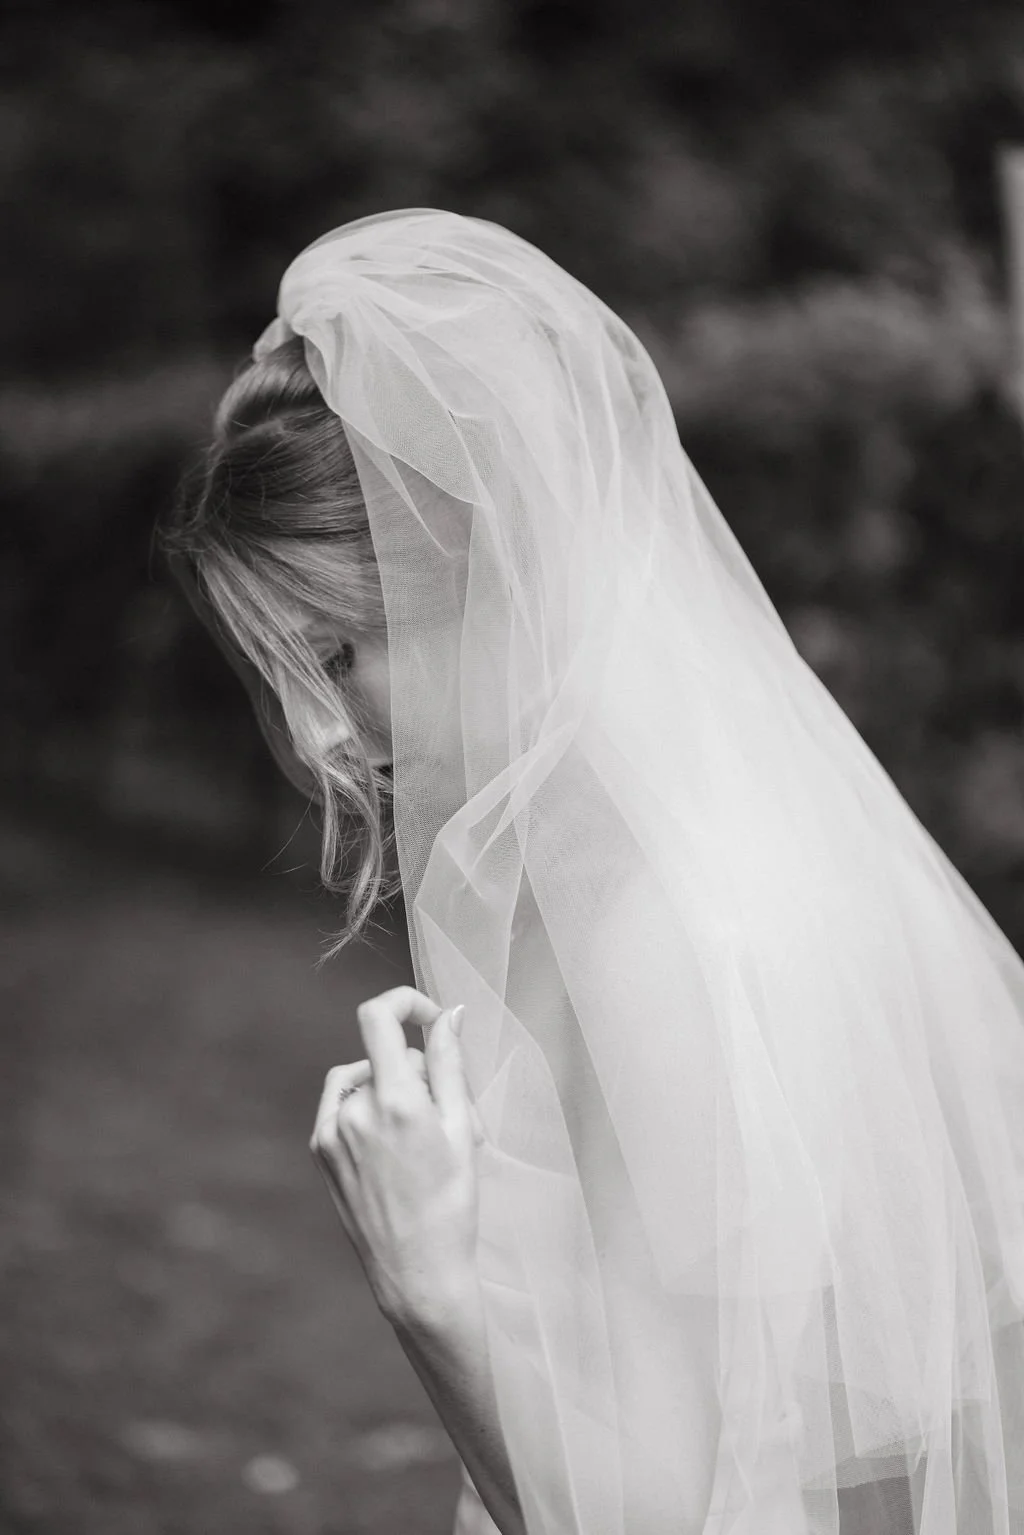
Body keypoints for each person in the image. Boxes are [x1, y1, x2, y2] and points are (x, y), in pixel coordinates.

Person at [162, 209, 1024, 1535]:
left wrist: (430, 1291)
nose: (318, 730)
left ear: (491, 576)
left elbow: (681, 1516)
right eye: (284, 673)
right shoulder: (632, 870)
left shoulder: (658, 944)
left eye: (338, 653)